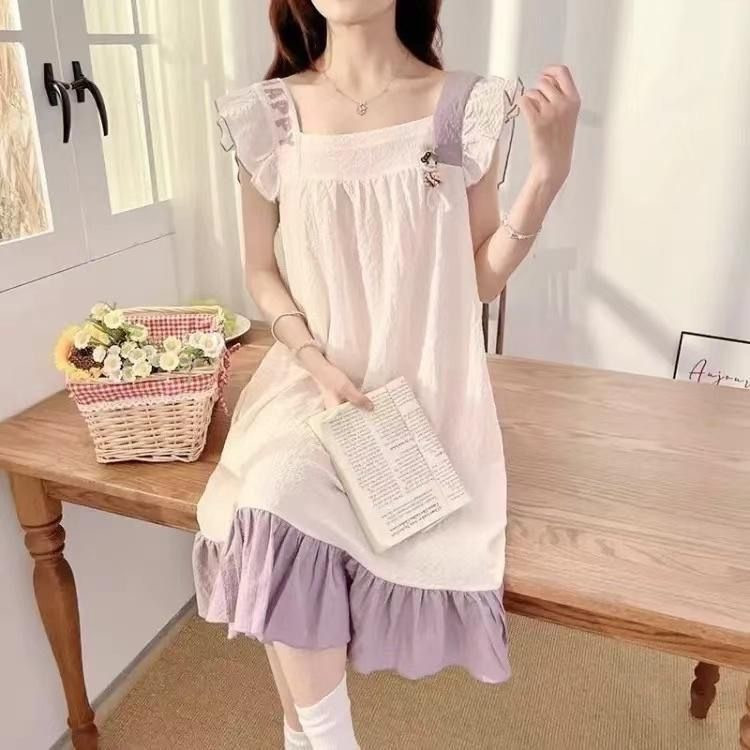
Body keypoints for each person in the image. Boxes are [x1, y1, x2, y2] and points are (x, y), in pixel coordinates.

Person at [192, 1, 580, 747]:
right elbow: (260, 270)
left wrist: (546, 178)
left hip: (422, 393)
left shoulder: (464, 108)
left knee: (279, 513)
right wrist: (313, 360)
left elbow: (477, 278)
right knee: (272, 497)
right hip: (309, 384)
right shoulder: (267, 116)